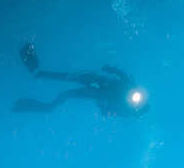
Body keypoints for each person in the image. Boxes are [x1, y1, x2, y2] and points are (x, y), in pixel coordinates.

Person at [13, 42, 149, 118]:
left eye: (137, 106)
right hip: (100, 79)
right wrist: (111, 69)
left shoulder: (125, 111)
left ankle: (47, 107)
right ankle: (37, 72)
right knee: (67, 76)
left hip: (98, 93)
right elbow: (122, 74)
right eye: (139, 100)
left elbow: (107, 112)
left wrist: (103, 106)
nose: (135, 101)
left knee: (66, 94)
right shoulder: (131, 86)